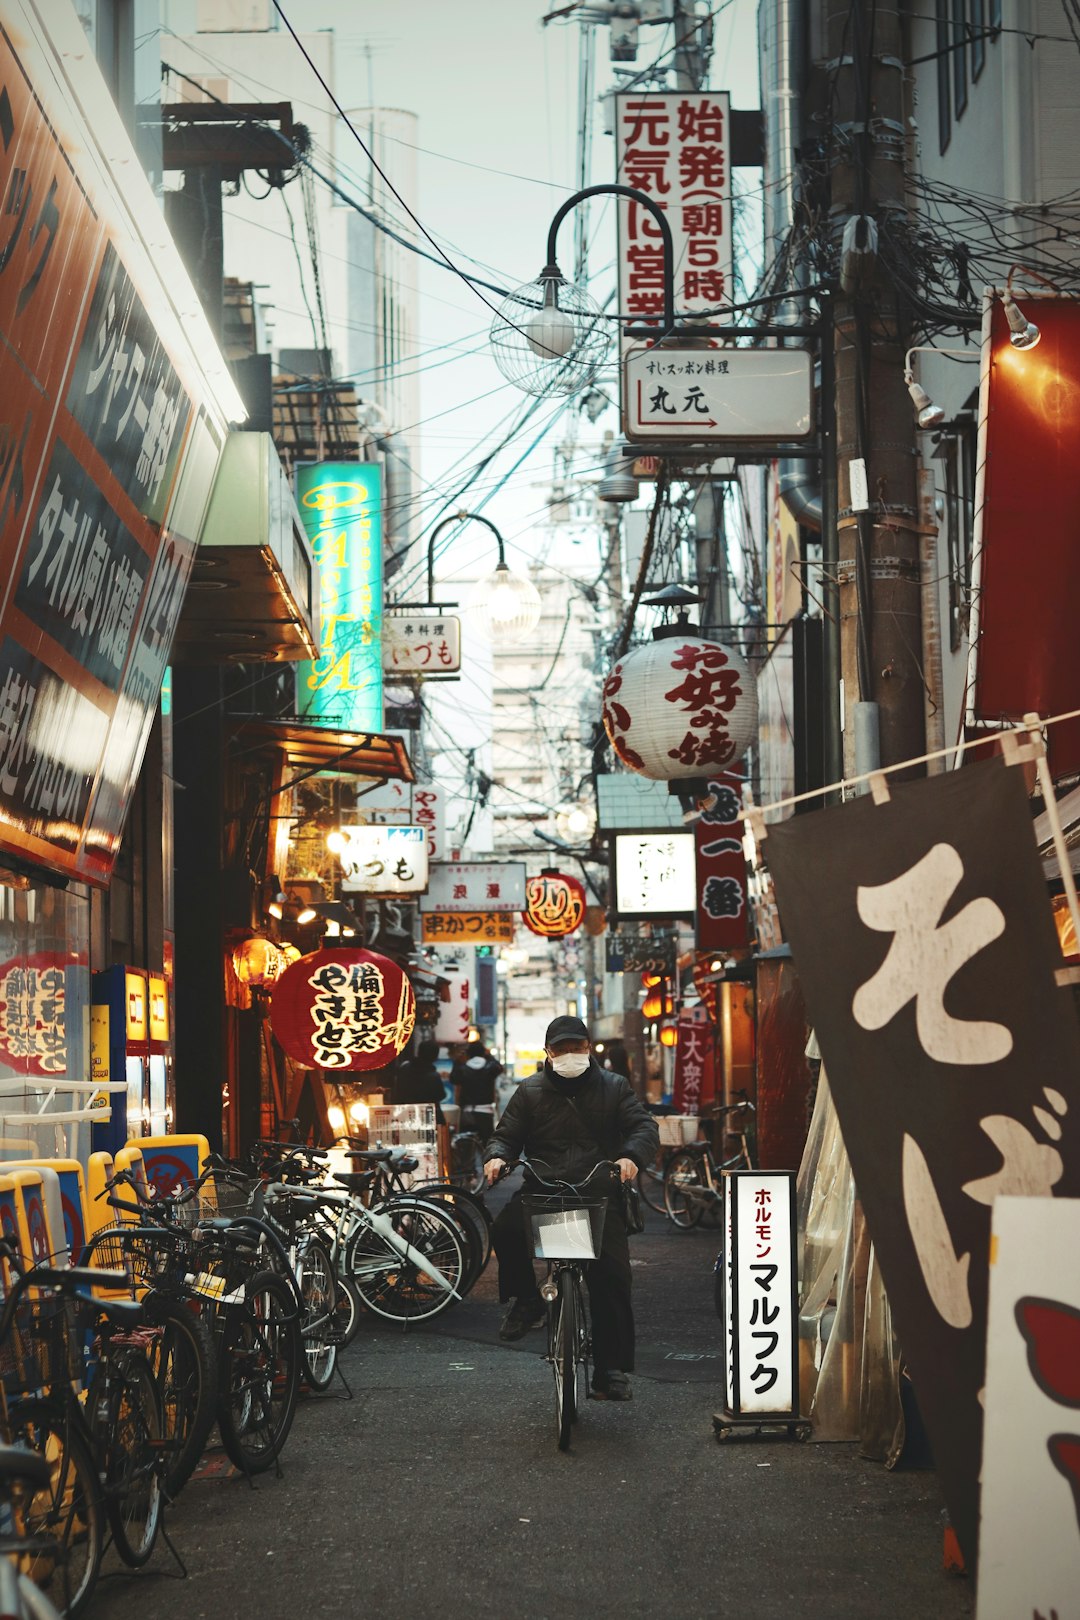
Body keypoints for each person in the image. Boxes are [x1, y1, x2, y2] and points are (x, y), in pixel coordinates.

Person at [484, 1014, 659, 1403]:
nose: (569, 1055)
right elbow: (505, 1136)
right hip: (544, 1191)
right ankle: (527, 1301)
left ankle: (610, 1371)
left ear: (588, 1048)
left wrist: (631, 1156)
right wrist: (497, 1157)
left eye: (576, 1048)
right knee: (506, 1230)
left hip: (598, 1194)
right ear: (548, 1053)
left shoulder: (614, 1087)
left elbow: (643, 1127)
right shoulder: (529, 1092)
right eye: (561, 1049)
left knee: (611, 1278)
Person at [450, 1040, 503, 1143]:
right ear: (483, 1052)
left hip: (467, 1113)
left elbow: (453, 1078)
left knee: (466, 1145)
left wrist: (457, 1061)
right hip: (486, 1112)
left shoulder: (462, 1069)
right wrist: (489, 1056)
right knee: (487, 1145)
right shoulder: (490, 1067)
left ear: (468, 1053)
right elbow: (499, 1067)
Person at [394, 1038, 446, 1124]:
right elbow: (440, 1096)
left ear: (418, 1052)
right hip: (427, 1119)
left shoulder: (404, 1068)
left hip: (404, 1116)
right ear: (435, 1057)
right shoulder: (434, 1076)